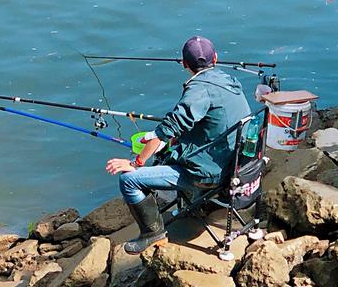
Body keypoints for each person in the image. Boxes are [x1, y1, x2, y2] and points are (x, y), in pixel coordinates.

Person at [105, 36, 251, 255]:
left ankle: (152, 233)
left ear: (184, 64)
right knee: (169, 148)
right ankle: (197, 204)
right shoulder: (228, 81)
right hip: (238, 163)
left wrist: (136, 163)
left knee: (128, 180)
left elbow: (166, 130)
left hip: (209, 175)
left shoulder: (198, 91)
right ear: (216, 58)